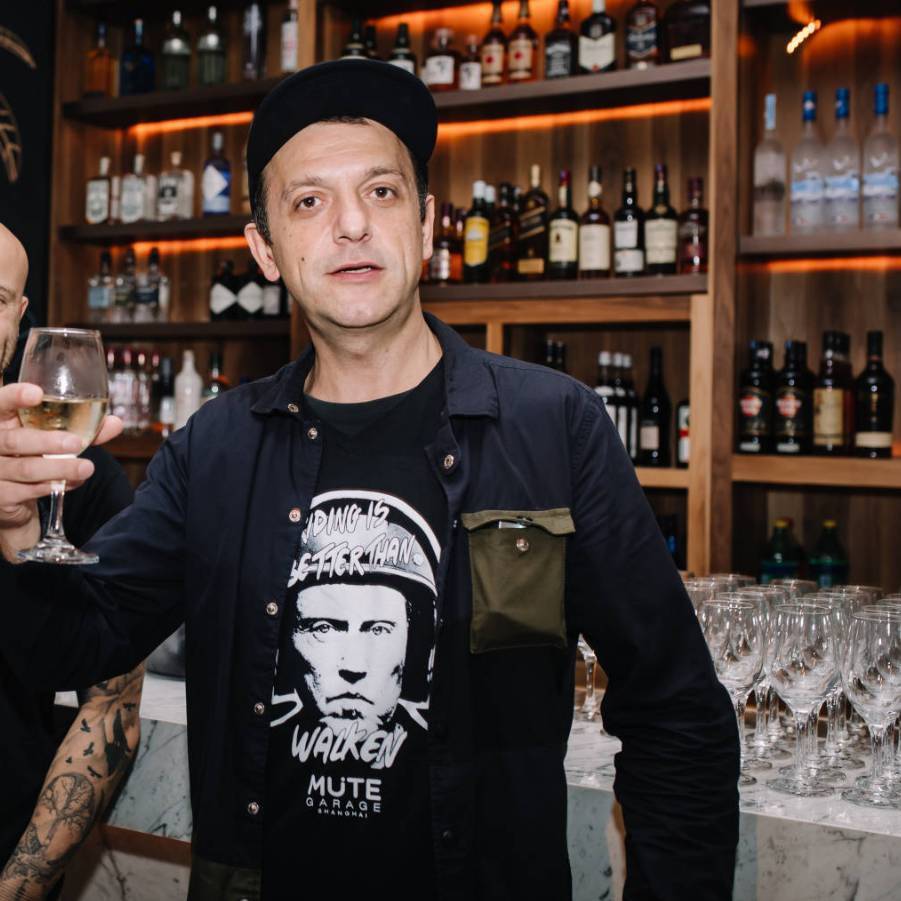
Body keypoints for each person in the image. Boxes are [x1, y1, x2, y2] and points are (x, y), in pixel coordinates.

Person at [0, 61, 739, 900]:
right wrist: (18, 532)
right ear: (265, 251)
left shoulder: (552, 426)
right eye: (308, 201)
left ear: (425, 226)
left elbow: (675, 710)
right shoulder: (214, 448)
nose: (351, 224)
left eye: (381, 192)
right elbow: (73, 646)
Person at [0, 224, 143, 901]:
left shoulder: (84, 479)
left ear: (19, 315)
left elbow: (110, 711)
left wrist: (17, 888)